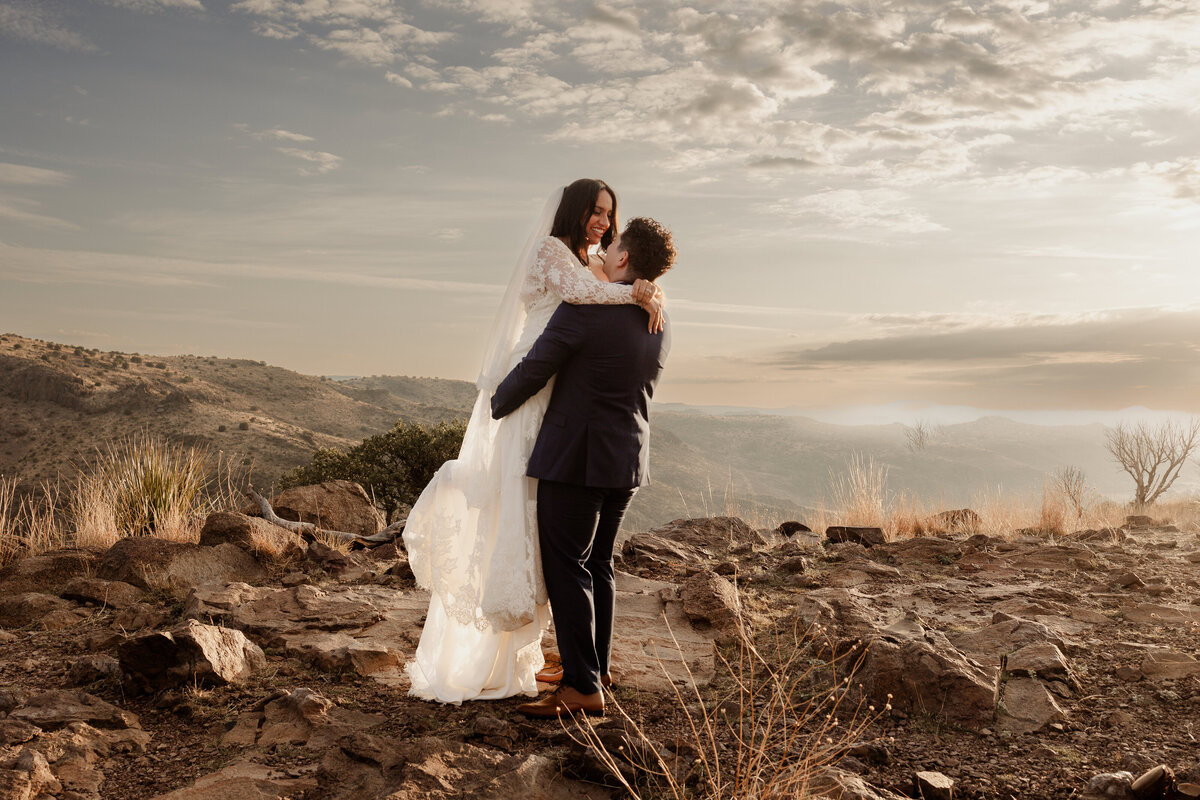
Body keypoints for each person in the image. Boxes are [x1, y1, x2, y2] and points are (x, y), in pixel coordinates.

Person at [403, 180, 663, 703]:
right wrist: (643, 289)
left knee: (566, 553)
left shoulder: (594, 284)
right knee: (573, 548)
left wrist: (640, 286)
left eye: (610, 218)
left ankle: (581, 676)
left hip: (566, 423)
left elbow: (574, 325)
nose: (603, 224)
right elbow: (589, 296)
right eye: (596, 212)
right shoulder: (581, 270)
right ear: (576, 211)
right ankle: (581, 665)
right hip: (590, 427)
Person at [490, 217, 676, 717]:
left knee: (567, 565)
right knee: (599, 564)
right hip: (627, 459)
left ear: (621, 259)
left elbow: (537, 367)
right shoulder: (657, 320)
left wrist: (495, 401)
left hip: (575, 459)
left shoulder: (583, 312)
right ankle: (598, 667)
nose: (605, 247)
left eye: (612, 244)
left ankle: (579, 686)